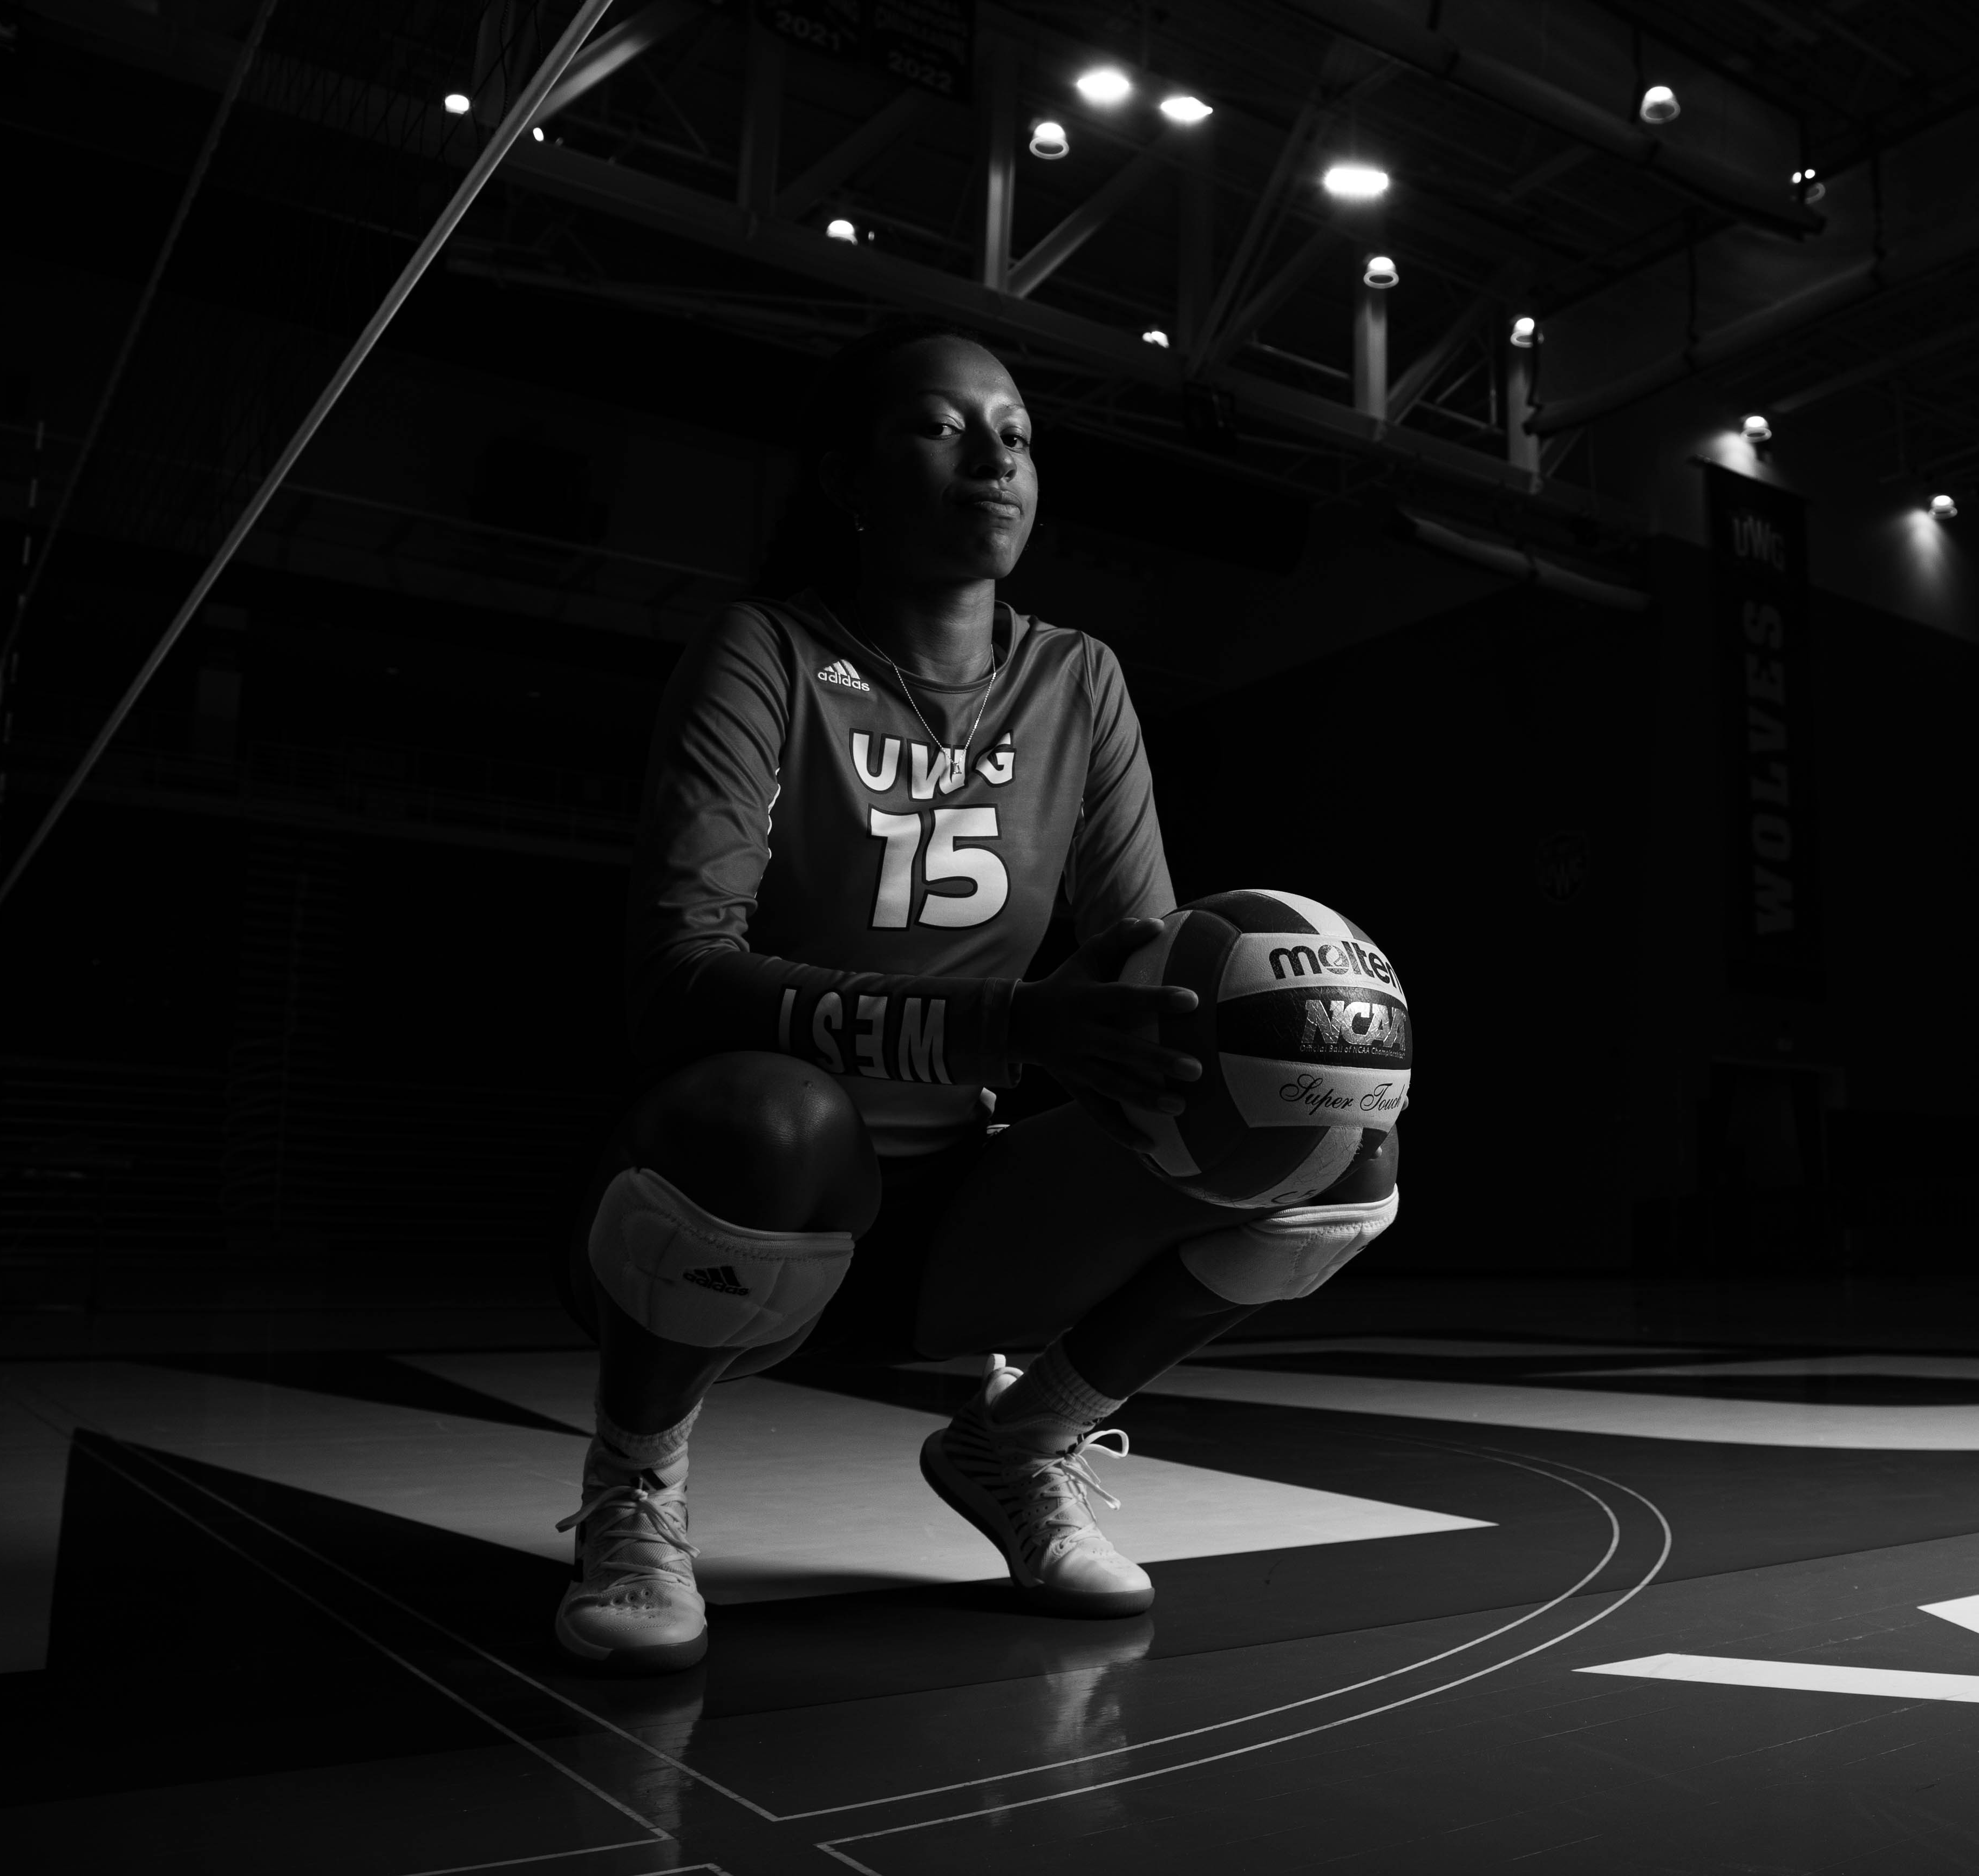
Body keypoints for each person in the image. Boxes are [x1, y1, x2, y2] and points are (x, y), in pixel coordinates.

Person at [550, 318, 1400, 1673]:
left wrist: (1254, 1025)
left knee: (1332, 1138)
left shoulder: (1079, 680)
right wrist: (1008, 1023)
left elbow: (1139, 960)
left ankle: (1018, 1443)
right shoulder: (764, 652)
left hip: (962, 1228)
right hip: (744, 1200)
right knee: (772, 1119)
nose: (993, 455)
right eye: (942, 427)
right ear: (848, 476)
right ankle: (636, 1480)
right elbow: (678, 979)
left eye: (1014, 433)